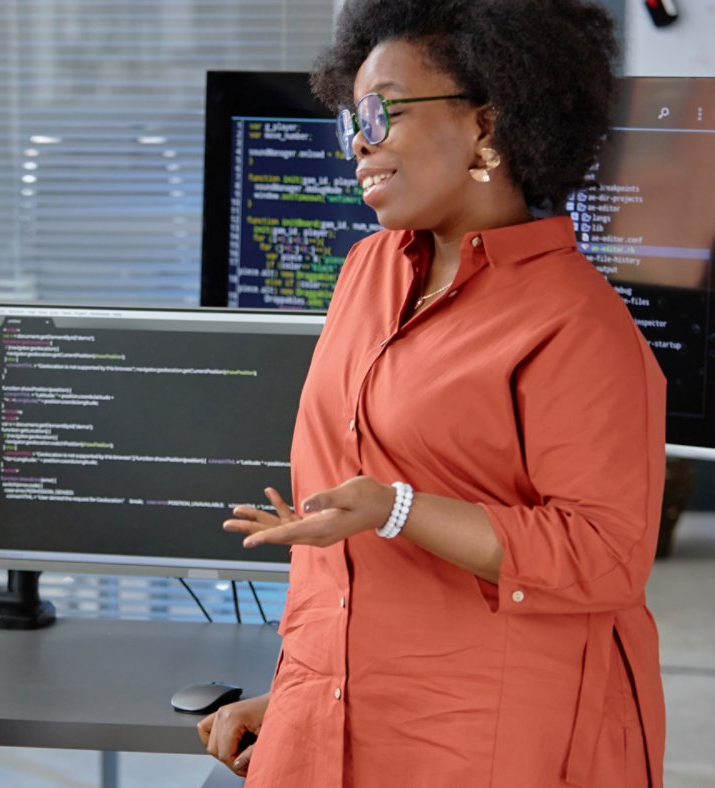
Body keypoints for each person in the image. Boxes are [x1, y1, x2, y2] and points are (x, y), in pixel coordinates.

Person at [197, 1, 665, 786]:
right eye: (351, 119)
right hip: (335, 715)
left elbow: (604, 557)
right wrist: (301, 696)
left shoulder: (578, 323)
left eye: (382, 111)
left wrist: (399, 509)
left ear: (487, 124)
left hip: (486, 736)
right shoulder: (368, 273)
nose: (359, 143)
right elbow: (355, 572)